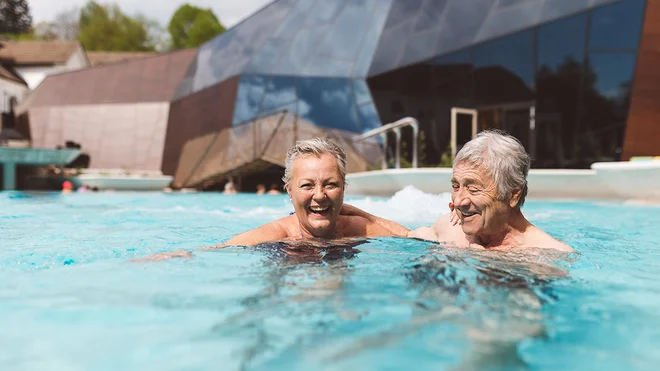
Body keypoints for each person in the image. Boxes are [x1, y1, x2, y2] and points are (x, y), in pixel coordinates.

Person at [136, 138, 408, 261]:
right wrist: (181, 254)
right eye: (307, 185)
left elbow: (412, 238)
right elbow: (220, 249)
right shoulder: (276, 234)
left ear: (344, 188)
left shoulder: (358, 227)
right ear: (288, 190)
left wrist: (364, 215)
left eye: (331, 185)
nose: (320, 195)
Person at [344, 130, 573, 252]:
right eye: (456, 186)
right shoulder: (451, 228)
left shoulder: (546, 255)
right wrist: (344, 213)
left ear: (513, 194)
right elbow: (404, 236)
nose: (460, 201)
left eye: (473, 188)